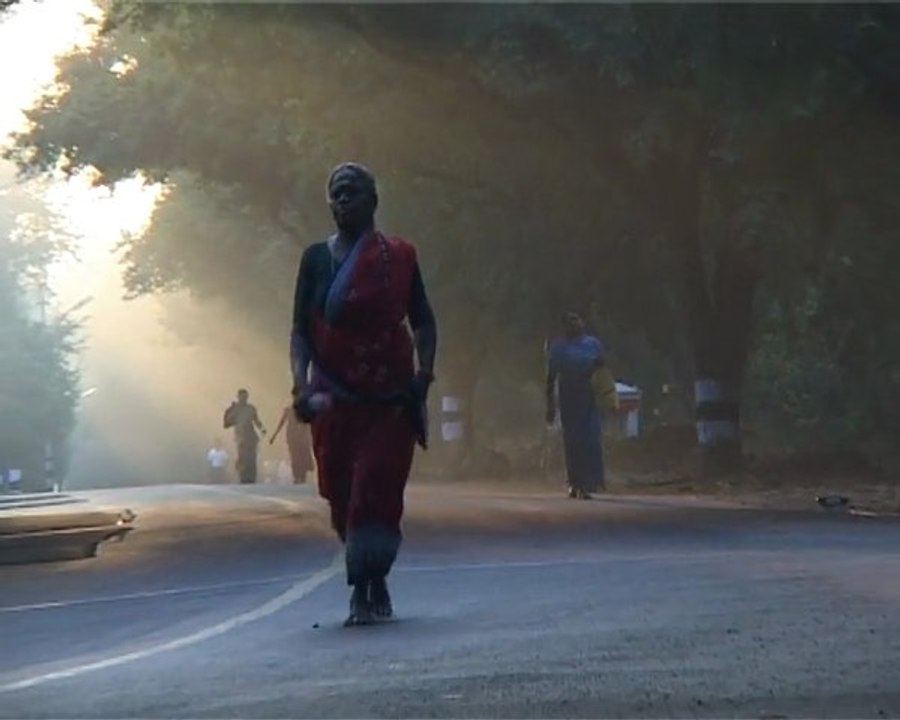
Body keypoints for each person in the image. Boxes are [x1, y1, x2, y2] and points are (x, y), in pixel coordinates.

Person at [290, 162, 437, 626]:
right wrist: (300, 382)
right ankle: (368, 576)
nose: (341, 202)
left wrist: (424, 376)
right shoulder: (315, 260)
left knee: (375, 488)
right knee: (342, 493)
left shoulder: (398, 257)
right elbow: (300, 331)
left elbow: (424, 319)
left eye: (350, 193)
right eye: (335, 195)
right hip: (334, 398)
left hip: (389, 399)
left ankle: (365, 586)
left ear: (373, 201)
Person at [545, 312, 607, 499]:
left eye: (577, 320)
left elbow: (603, 370)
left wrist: (607, 396)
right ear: (564, 328)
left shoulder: (593, 344)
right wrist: (549, 405)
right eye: (569, 322)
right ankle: (576, 483)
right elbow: (550, 377)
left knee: (592, 439)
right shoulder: (558, 347)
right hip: (569, 397)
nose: (574, 324)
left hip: (589, 396)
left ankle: (593, 481)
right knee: (573, 442)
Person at [223, 389, 267, 484]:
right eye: (242, 396)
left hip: (251, 436)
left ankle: (251, 478)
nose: (244, 398)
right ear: (238, 397)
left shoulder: (251, 408)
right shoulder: (234, 409)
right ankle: (243, 477)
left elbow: (256, 420)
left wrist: (262, 429)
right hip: (240, 437)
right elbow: (226, 424)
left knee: (251, 458)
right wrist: (229, 411)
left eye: (245, 397)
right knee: (242, 458)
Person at [269, 404, 313, 484]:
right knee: (295, 457)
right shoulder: (288, 410)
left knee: (303, 456)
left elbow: (309, 423)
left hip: (303, 437)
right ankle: (297, 476)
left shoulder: (305, 409)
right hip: (292, 437)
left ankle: (302, 476)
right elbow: (281, 422)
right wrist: (274, 436)